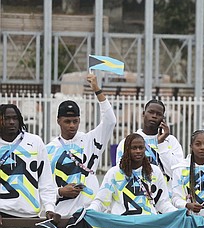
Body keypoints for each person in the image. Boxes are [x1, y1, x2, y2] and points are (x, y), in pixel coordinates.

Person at [46, 73, 116, 217]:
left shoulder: (90, 140)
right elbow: (42, 187)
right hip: (61, 215)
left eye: (75, 121)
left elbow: (110, 120)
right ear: (58, 120)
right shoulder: (49, 149)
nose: (72, 125)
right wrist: (60, 192)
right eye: (67, 121)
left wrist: (97, 89)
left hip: (90, 214)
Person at [90, 133, 176, 215]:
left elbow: (163, 203)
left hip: (149, 225)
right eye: (134, 148)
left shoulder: (155, 171)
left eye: (141, 147)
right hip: (122, 225)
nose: (138, 151)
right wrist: (88, 212)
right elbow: (101, 201)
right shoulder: (114, 173)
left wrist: (178, 214)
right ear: (127, 150)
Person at [0, 104, 58, 219]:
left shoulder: (35, 142)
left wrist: (50, 208)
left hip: (30, 216)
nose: (12, 122)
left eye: (15, 118)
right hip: (2, 214)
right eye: (7, 118)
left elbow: (45, 180)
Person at [116, 99, 183, 184]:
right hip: (137, 195)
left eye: (159, 114)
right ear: (143, 114)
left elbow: (176, 173)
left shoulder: (171, 141)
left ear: (163, 118)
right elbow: (121, 172)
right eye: (151, 112)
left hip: (164, 195)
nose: (154, 116)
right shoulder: (128, 141)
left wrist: (162, 144)